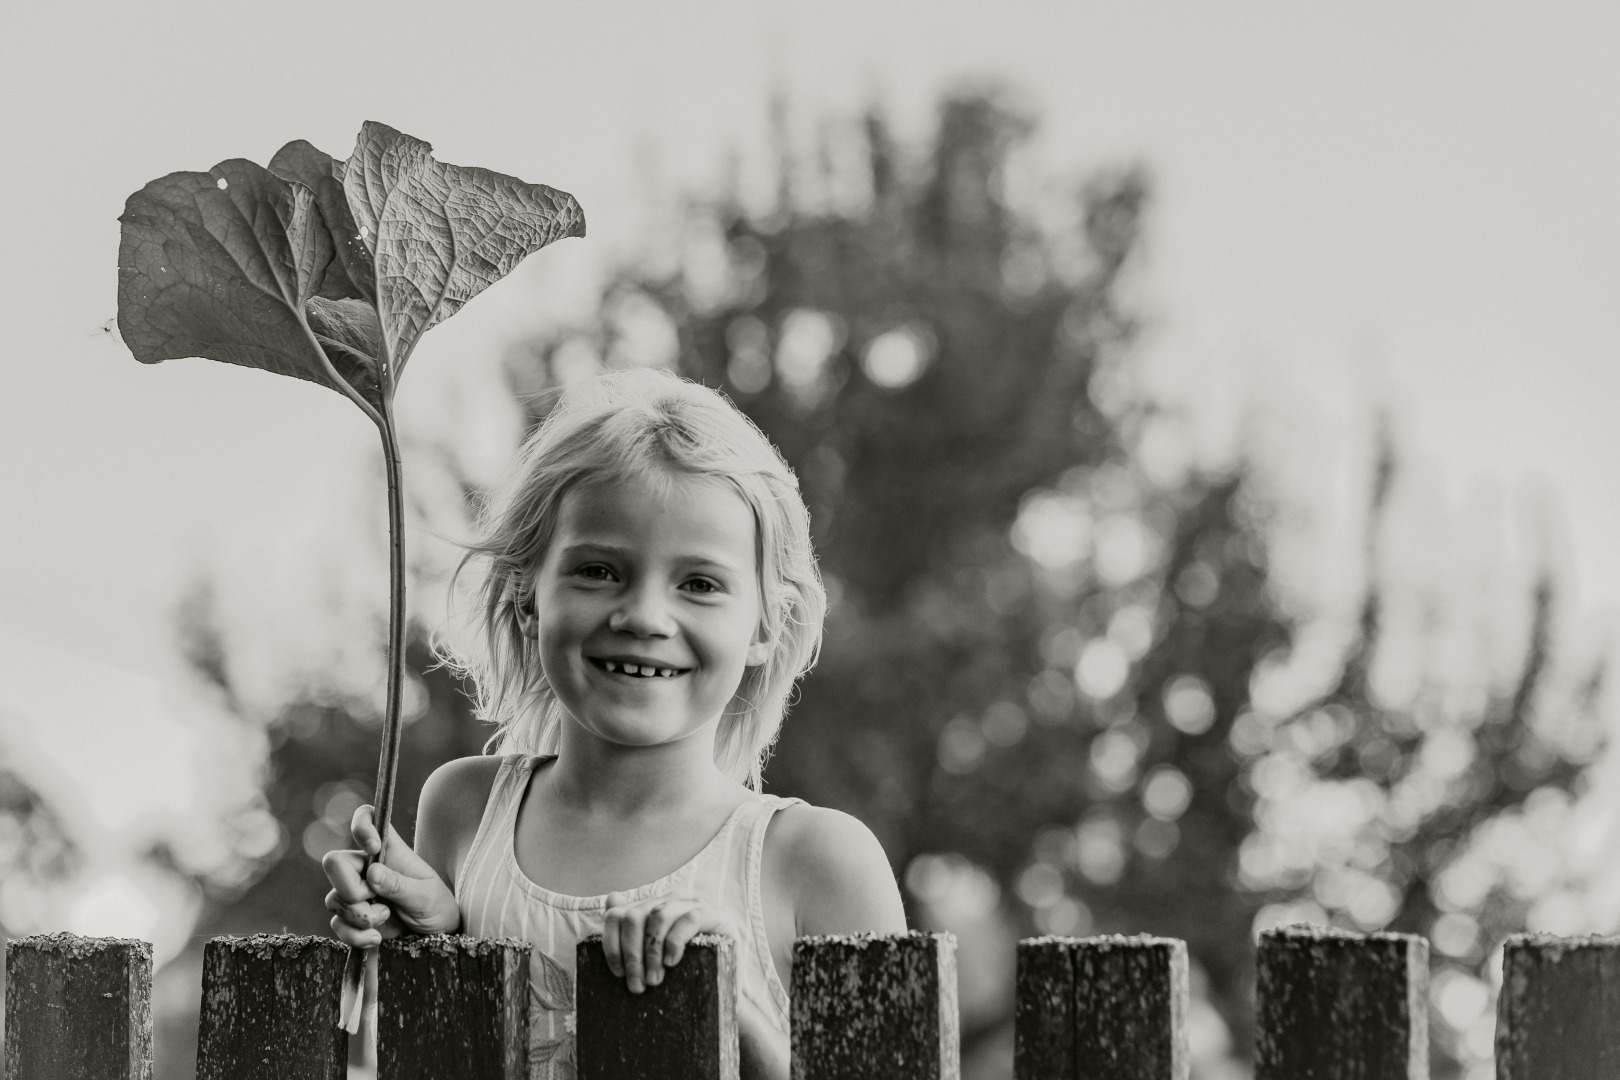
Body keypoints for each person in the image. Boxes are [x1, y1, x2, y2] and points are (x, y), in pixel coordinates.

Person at [322, 368, 907, 1079]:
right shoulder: (464, 813)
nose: (642, 617)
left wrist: (735, 1018)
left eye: (698, 584)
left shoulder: (817, 861)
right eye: (599, 571)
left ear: (765, 625)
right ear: (525, 595)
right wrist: (432, 944)